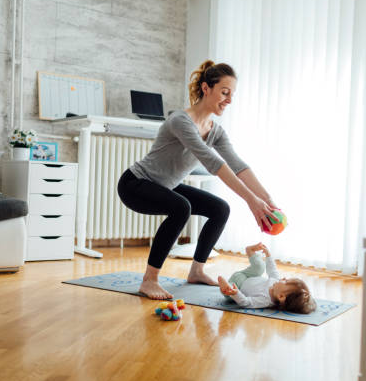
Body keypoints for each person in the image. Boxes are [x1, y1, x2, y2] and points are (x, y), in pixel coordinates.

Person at [117, 60, 278, 300]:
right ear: (206, 88)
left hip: (164, 185)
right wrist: (250, 200)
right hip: (136, 184)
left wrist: (266, 199)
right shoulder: (180, 121)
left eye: (232, 94)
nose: (229, 100)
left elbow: (238, 166)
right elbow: (213, 163)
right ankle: (149, 280)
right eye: (224, 92)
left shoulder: (215, 131)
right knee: (181, 207)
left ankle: (197, 271)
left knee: (219, 208)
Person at [218, 242, 316, 313]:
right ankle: (250, 250)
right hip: (246, 275)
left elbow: (246, 302)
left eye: (286, 281)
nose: (284, 278)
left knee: (229, 294)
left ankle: (226, 288)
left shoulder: (265, 300)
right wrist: (268, 256)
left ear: (281, 296)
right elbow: (272, 269)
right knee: (260, 268)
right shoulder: (276, 281)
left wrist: (236, 293)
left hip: (237, 286)